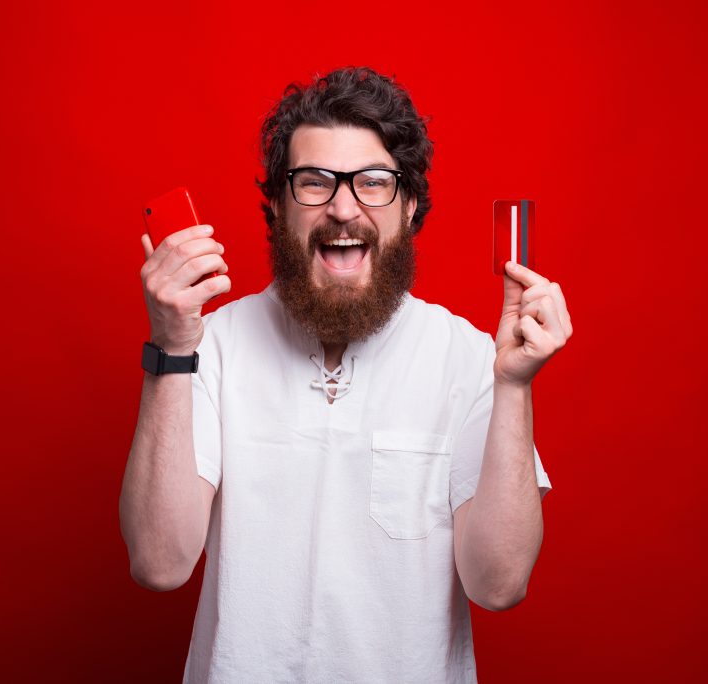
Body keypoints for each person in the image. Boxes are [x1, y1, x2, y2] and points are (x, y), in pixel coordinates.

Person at [120, 66, 574, 683]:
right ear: (278, 207)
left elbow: (498, 584)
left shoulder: (468, 359)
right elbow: (158, 562)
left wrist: (514, 386)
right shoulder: (212, 346)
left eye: (374, 183)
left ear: (410, 207)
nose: (342, 207)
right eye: (313, 183)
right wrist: (172, 347)